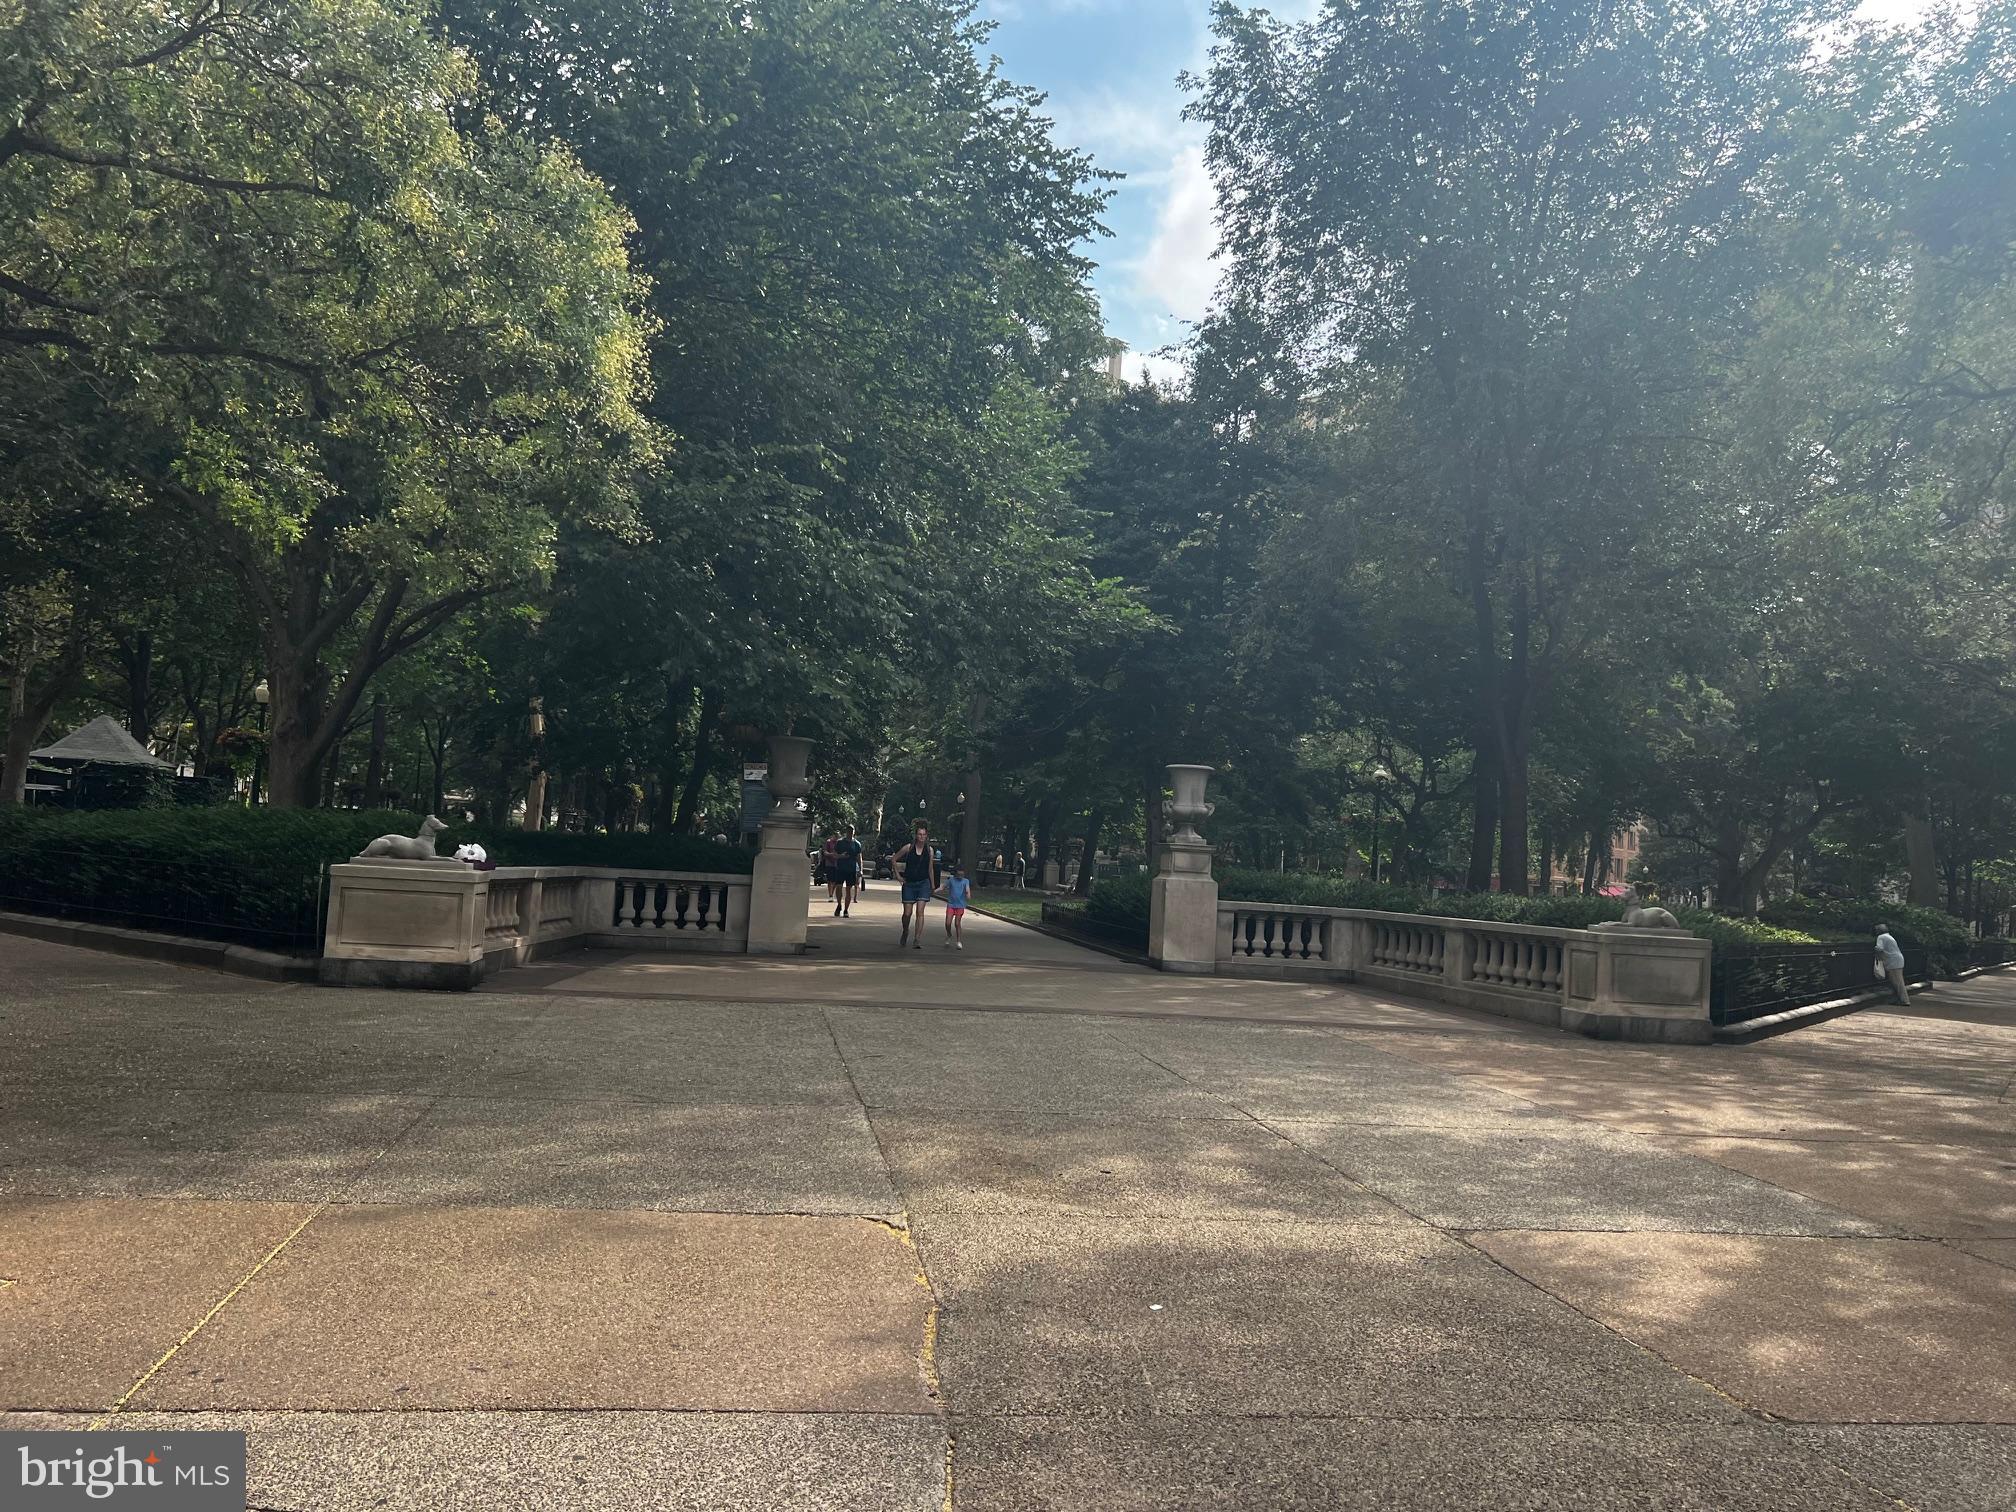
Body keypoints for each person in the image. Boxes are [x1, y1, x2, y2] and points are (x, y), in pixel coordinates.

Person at [892, 822, 939, 950]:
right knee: (907, 913)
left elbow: (930, 868)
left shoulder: (929, 850)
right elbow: (894, 859)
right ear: (916, 835)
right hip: (909, 883)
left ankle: (917, 939)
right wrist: (898, 875)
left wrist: (933, 885)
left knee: (920, 912)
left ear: (927, 836)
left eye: (924, 834)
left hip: (923, 883)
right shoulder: (909, 847)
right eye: (919, 834)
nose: (921, 837)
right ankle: (905, 930)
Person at [832, 824, 864, 917]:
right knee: (838, 887)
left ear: (854, 832)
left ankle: (846, 910)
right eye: (849, 830)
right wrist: (841, 856)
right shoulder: (840, 842)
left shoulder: (857, 844)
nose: (850, 832)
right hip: (841, 868)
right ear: (846, 831)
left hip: (851, 869)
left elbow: (859, 857)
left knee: (849, 889)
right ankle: (839, 904)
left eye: (852, 830)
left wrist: (860, 870)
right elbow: (834, 855)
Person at [1874, 924, 1911, 1005]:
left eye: (1876, 930)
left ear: (1879, 930)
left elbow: (1879, 948)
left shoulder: (1881, 937)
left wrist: (1875, 951)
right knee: (1896, 981)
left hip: (1893, 961)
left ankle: (1904, 1000)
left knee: (1897, 982)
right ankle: (1898, 999)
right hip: (1897, 959)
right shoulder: (1889, 936)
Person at [942, 864, 972, 949]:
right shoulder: (951, 880)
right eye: (958, 875)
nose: (960, 876)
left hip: (960, 905)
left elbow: (967, 889)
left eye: (962, 875)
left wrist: (968, 894)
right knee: (948, 923)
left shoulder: (965, 881)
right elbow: (943, 887)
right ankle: (949, 934)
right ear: (955, 873)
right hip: (951, 904)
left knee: (957, 923)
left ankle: (958, 941)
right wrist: (934, 891)